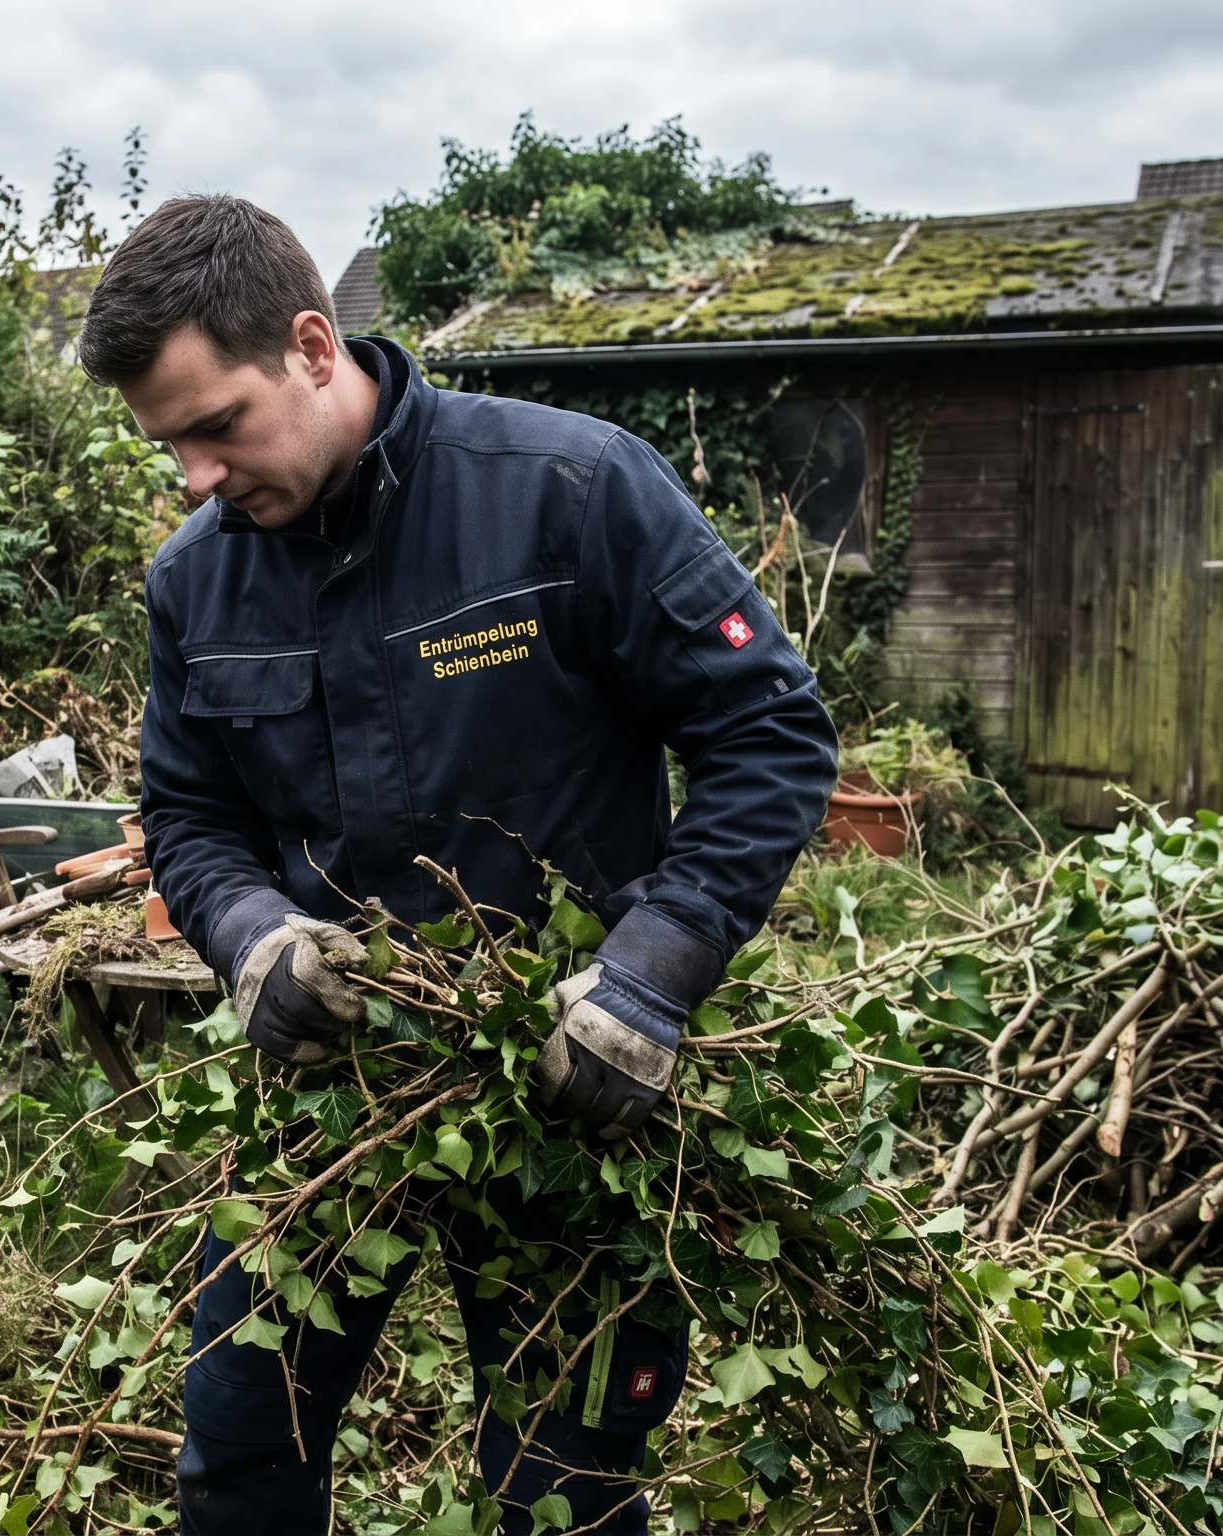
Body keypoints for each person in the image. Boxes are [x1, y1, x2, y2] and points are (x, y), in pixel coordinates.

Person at [81, 195, 838, 1536]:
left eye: (216, 427)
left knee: (567, 1488)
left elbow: (769, 733)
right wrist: (254, 935)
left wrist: (652, 978)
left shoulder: (571, 491)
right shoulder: (197, 583)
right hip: (329, 1089)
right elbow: (190, 820)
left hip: (569, 1090)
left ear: (316, 348)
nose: (195, 477)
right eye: (168, 445)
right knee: (236, 1448)